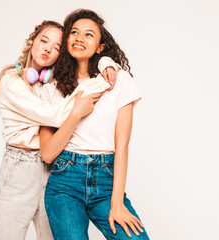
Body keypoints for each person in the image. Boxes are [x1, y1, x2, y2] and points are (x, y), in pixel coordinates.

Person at [0, 20, 119, 240]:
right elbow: (56, 116)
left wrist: (106, 62)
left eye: (58, 47)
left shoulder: (51, 85)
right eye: (44, 40)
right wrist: (82, 102)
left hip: (55, 167)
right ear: (32, 41)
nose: (48, 48)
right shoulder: (11, 81)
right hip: (20, 167)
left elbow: (83, 66)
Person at [39, 9, 150, 240]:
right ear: (67, 39)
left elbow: (123, 144)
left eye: (89, 34)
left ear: (100, 47)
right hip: (65, 184)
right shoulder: (51, 90)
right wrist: (76, 113)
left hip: (107, 181)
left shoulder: (117, 81)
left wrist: (117, 202)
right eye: (74, 32)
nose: (80, 38)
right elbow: (48, 154)